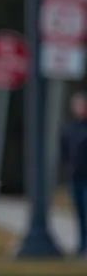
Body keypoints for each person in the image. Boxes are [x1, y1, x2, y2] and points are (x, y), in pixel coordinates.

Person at [60, 89, 87, 256]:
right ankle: (82, 245)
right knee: (79, 213)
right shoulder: (69, 128)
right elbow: (64, 151)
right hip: (74, 176)